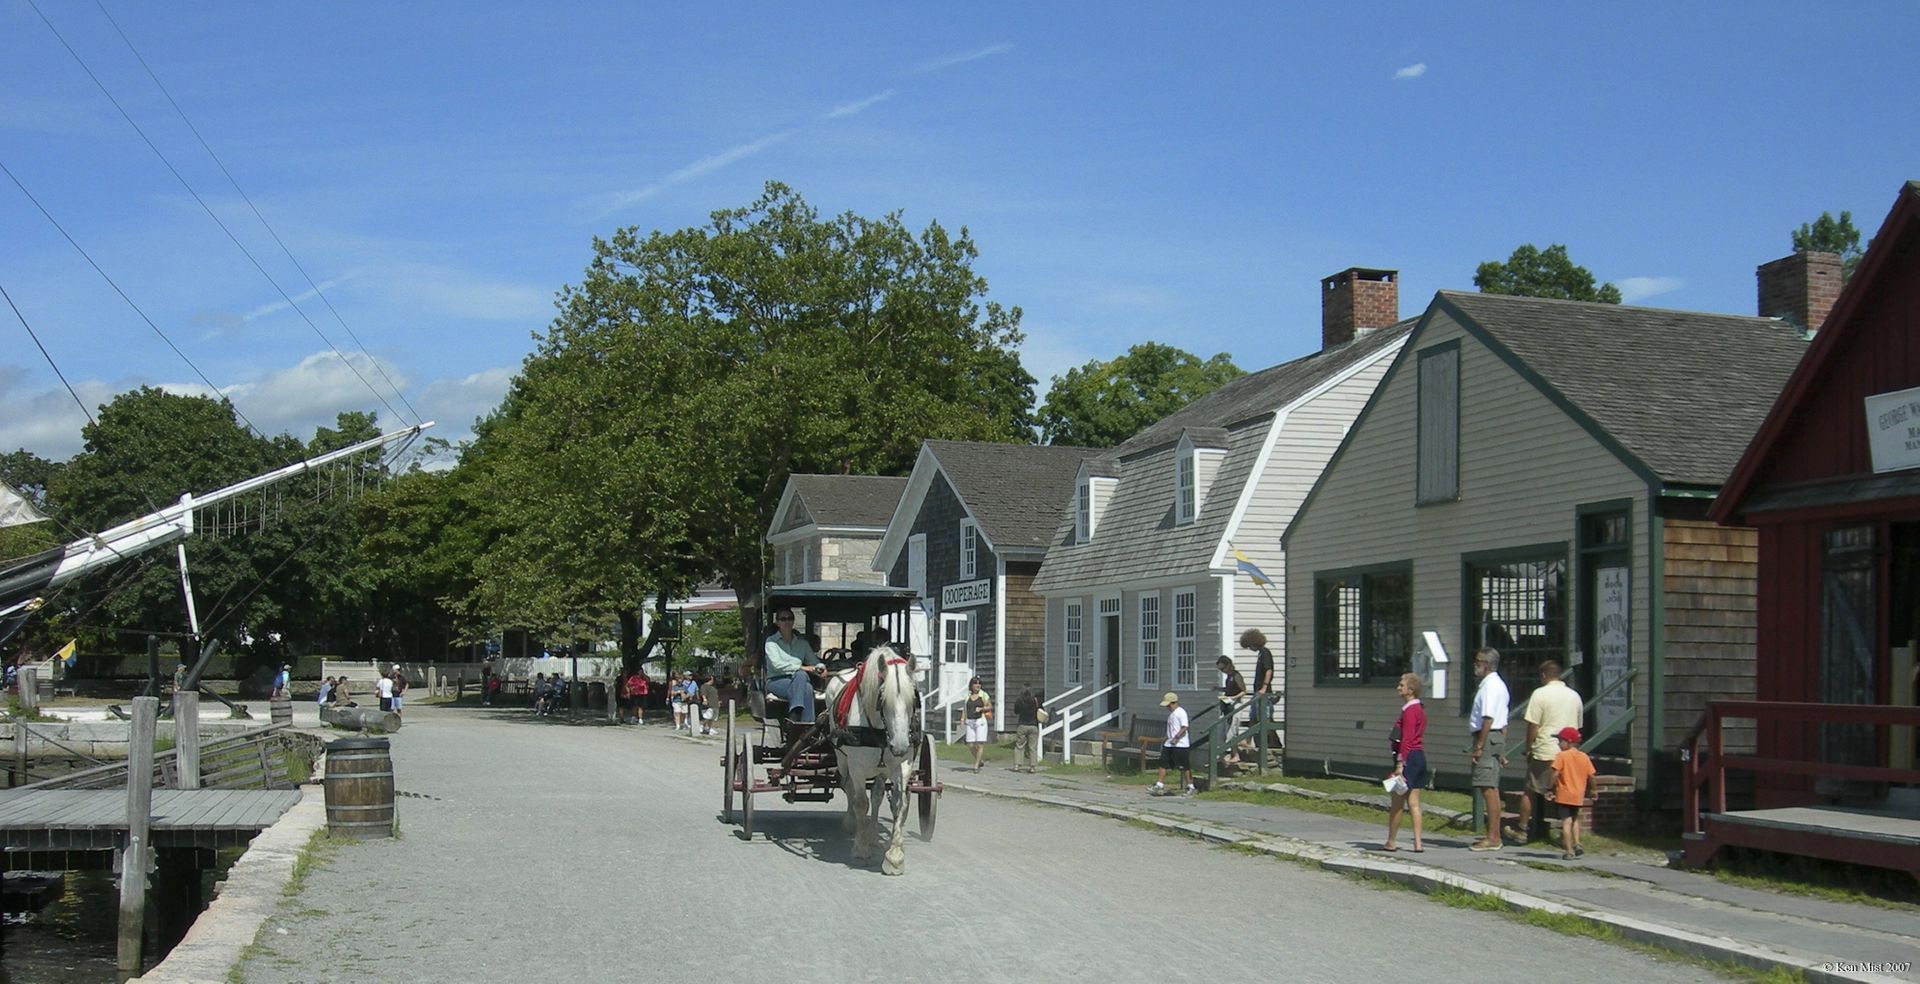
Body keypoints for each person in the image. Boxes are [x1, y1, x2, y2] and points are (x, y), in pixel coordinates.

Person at [1517, 660, 1583, 844]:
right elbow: (1578, 726)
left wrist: (1529, 747)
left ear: (1544, 675)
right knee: (1565, 794)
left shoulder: (1540, 694)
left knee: (1530, 789)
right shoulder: (1574, 696)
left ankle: (1522, 829)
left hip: (1546, 749)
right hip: (1568, 752)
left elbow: (1533, 724)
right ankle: (1569, 836)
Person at [1467, 647, 1511, 852]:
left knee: (1488, 788)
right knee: (1489, 786)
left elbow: (1489, 718)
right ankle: (1493, 834)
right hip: (1495, 737)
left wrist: (1479, 746)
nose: (1475, 665)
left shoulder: (1490, 687)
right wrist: (1501, 748)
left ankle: (1493, 836)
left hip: (1487, 736)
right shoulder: (1497, 685)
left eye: (1478, 661)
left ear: (1486, 664)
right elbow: (1504, 721)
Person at [1383, 673, 1428, 853]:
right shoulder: (1420, 710)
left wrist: (1400, 764)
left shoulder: (1409, 711)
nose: (1398, 688)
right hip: (1419, 757)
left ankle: (1391, 840)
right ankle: (1418, 842)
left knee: (1397, 802)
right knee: (1414, 803)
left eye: (1401, 685)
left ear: (1411, 690)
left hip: (1407, 757)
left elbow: (1407, 738)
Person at [763, 609, 824, 723]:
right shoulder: (771, 642)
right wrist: (802, 668)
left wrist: (821, 667)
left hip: (797, 681)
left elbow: (814, 661)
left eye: (790, 618)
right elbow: (777, 665)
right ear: (777, 623)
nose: (787, 621)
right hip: (776, 681)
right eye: (783, 619)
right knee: (803, 679)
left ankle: (800, 721)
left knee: (807, 687)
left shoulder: (802, 643)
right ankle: (802, 719)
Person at [1550, 727, 1596, 860]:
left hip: (1564, 794)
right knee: (1575, 820)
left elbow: (1555, 773)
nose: (1559, 744)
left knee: (1566, 822)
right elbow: (1592, 776)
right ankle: (1577, 844)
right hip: (1578, 796)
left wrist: (1549, 788)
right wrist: (1593, 790)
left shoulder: (1562, 756)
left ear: (1568, 742)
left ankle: (1569, 851)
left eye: (1560, 741)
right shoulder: (1584, 757)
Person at [1151, 692, 1194, 796]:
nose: (1168, 707)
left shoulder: (1181, 712)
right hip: (1170, 743)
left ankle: (1190, 786)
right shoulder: (1172, 714)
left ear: (1173, 703)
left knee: (1184, 766)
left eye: (1169, 705)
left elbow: (1184, 727)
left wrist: (1177, 737)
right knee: (1163, 763)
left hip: (1180, 744)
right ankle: (1159, 784)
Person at [1216, 656, 1247, 766]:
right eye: (1220, 670)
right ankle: (1228, 755)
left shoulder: (1236, 675)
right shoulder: (1229, 677)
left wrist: (1234, 698)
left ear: (1228, 665)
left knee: (1231, 731)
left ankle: (1232, 755)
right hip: (1228, 704)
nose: (1222, 671)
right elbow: (1229, 689)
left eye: (1223, 668)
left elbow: (1243, 690)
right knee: (1223, 731)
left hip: (1235, 705)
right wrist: (1219, 689)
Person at [963, 676, 992, 771]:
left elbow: (989, 706)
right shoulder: (968, 696)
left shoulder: (983, 695)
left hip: (980, 721)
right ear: (971, 685)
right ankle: (979, 760)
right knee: (970, 744)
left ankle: (976, 765)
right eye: (975, 683)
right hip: (970, 720)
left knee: (979, 744)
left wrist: (982, 709)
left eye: (979, 683)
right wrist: (962, 718)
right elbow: (965, 708)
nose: (977, 685)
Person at [1012, 688, 1042, 773]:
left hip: (1022, 725)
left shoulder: (1019, 701)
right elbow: (1040, 711)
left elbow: (1016, 712)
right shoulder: (1036, 701)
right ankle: (1032, 767)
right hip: (1033, 725)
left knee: (1019, 746)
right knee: (1032, 747)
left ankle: (1017, 765)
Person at [699, 671, 720, 736]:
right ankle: (702, 726)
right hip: (709, 705)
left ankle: (709, 728)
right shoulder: (704, 686)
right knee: (707, 717)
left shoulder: (713, 687)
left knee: (713, 718)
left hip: (715, 704)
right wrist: (705, 699)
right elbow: (703, 694)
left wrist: (718, 701)